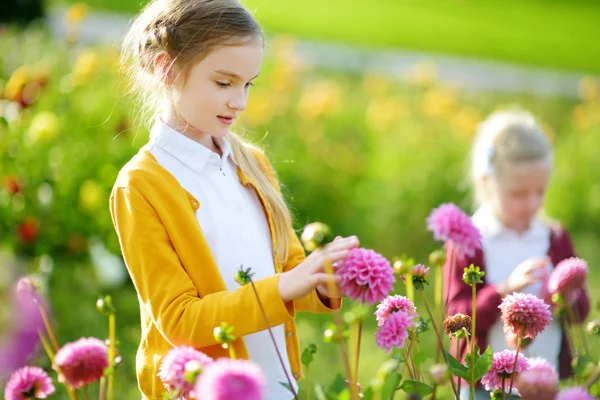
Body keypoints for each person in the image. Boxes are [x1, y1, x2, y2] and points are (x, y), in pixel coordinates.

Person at [111, 1, 358, 398]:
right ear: (166, 68)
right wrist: (285, 286)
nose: (239, 102)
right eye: (224, 83)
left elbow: (289, 268)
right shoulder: (141, 185)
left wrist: (329, 277)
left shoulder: (253, 163)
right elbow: (179, 321)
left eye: (248, 84)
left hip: (278, 386)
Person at [444, 109, 590, 399]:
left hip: (543, 379)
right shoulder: (469, 240)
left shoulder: (554, 237)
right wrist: (505, 290)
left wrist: (564, 297)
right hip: (483, 386)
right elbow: (455, 316)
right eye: (519, 194)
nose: (532, 202)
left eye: (540, 191)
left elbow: (580, 312)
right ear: (487, 182)